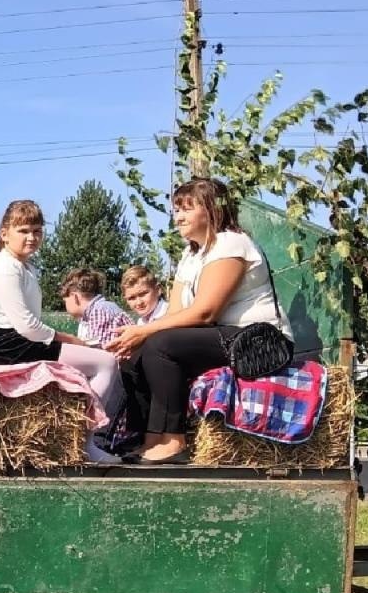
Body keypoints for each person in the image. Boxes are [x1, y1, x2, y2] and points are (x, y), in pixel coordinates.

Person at [106, 177, 292, 463]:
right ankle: (149, 437)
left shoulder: (231, 243)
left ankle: (173, 440)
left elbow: (206, 312)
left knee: (160, 344)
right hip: (223, 334)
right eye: (176, 210)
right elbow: (174, 313)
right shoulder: (191, 255)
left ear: (211, 210)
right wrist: (137, 338)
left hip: (256, 339)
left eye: (186, 209)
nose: (177, 217)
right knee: (137, 354)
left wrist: (146, 333)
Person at [0, 200, 123, 452]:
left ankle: (78, 437)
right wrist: (69, 339)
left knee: (99, 360)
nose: (31, 237)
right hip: (7, 344)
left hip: (13, 341)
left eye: (37, 231)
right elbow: (26, 325)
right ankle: (86, 443)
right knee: (106, 362)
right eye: (24, 230)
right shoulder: (5, 267)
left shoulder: (23, 266)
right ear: (4, 234)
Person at [61, 269, 132, 349]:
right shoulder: (94, 312)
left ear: (74, 297)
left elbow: (104, 352)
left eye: (65, 301)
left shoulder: (99, 311)